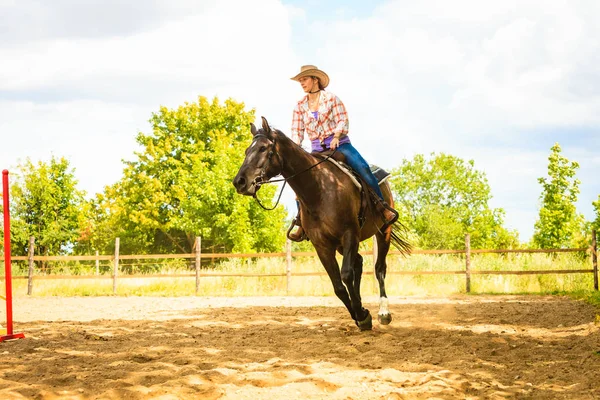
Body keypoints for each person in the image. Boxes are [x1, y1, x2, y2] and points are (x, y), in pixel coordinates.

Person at [288, 65, 398, 241]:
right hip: (316, 150)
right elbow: (297, 131)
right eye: (300, 80)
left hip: (339, 144)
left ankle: (382, 208)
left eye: (304, 79)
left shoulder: (332, 99)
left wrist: (337, 135)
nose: (302, 83)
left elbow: (342, 119)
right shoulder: (300, 106)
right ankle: (301, 221)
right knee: (299, 180)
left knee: (362, 167)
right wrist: (295, 146)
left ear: (315, 80)